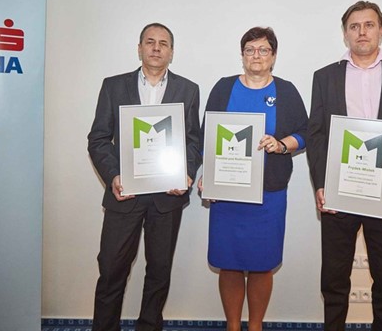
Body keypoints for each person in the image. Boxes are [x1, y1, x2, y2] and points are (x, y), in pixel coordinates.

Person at [307, 1, 382, 331]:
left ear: (381, 30)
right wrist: (322, 183)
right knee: (333, 281)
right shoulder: (325, 77)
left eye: (369, 25)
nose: (362, 32)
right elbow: (316, 136)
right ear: (345, 33)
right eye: (354, 26)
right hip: (338, 196)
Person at [87, 23, 201, 331]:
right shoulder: (113, 86)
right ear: (139, 48)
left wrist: (186, 173)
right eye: (150, 42)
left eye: (163, 43)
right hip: (125, 195)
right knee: (111, 270)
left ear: (171, 52)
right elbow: (98, 139)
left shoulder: (188, 90)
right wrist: (113, 176)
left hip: (167, 198)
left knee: (159, 272)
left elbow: (193, 141)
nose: (156, 48)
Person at [198, 27, 308, 331]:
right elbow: (208, 135)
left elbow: (305, 132)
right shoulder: (224, 88)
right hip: (228, 193)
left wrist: (281, 144)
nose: (256, 55)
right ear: (242, 54)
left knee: (262, 264)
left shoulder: (286, 91)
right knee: (229, 262)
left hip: (268, 194)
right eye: (250, 49)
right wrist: (208, 175)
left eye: (263, 49)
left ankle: (256, 325)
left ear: (273, 55)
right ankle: (233, 326)